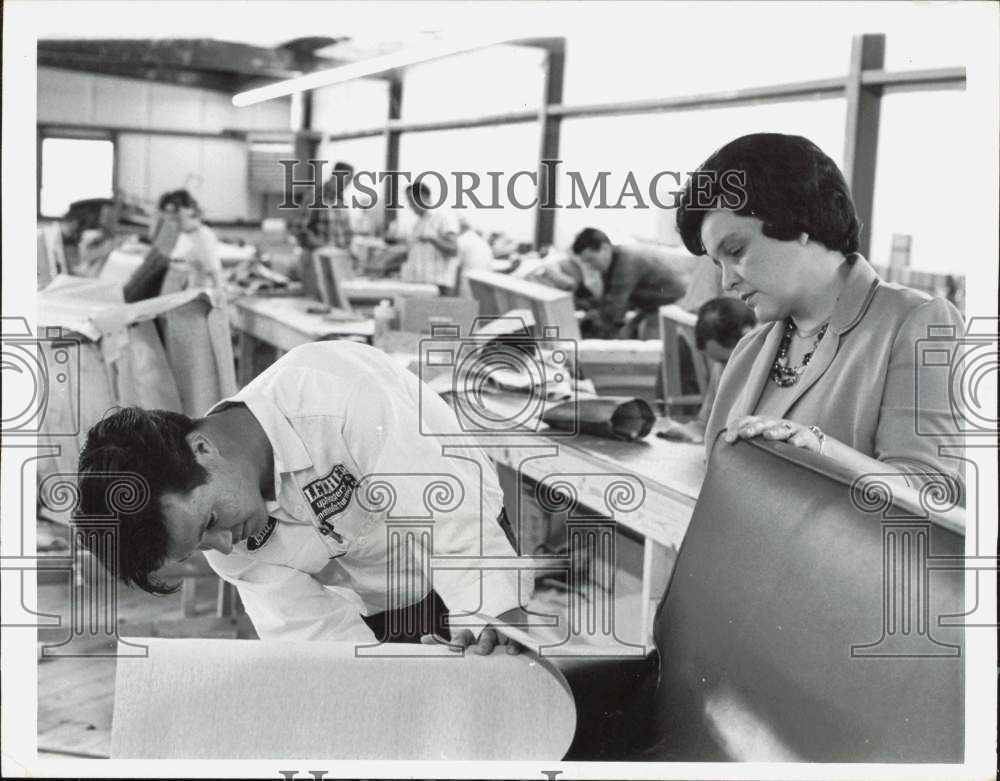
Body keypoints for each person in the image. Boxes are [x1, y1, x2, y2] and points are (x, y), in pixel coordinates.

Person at [74, 340, 523, 651]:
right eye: (201, 545)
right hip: (383, 595)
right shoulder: (222, 536)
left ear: (201, 449)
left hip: (469, 545)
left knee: (496, 699)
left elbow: (448, 518)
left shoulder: (333, 393)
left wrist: (490, 615)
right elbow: (313, 635)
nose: (224, 547)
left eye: (209, 524)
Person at [676, 132, 965, 496]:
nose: (727, 281)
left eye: (736, 251)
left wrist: (820, 451)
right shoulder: (747, 353)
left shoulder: (916, 322)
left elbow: (931, 491)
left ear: (797, 223)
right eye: (718, 263)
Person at [528, 228, 688, 338]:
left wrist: (583, 325)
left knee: (650, 343)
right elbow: (606, 303)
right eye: (586, 263)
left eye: (591, 260)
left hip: (672, 306)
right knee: (624, 332)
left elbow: (612, 312)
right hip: (649, 306)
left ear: (604, 249)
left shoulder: (627, 263)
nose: (591, 267)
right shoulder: (611, 262)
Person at [659, 298, 757, 444]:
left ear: (748, 335)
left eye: (726, 362)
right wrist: (690, 430)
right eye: (719, 362)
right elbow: (705, 423)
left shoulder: (777, 362)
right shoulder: (722, 364)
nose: (724, 369)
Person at [399, 181, 460, 294]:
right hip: (422, 286)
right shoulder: (420, 222)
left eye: (412, 201)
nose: (410, 206)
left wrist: (432, 239)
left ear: (423, 197)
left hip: (439, 286)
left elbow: (453, 249)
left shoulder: (442, 216)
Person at [160, 189, 224, 289]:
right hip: (186, 290)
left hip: (200, 292)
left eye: (176, 219)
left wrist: (219, 296)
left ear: (190, 211)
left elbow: (216, 275)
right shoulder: (186, 235)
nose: (174, 224)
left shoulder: (203, 237)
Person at [455, 217, 495, 297]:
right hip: (485, 281)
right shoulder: (481, 241)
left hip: (469, 280)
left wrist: (453, 293)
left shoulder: (461, 240)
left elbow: (457, 266)